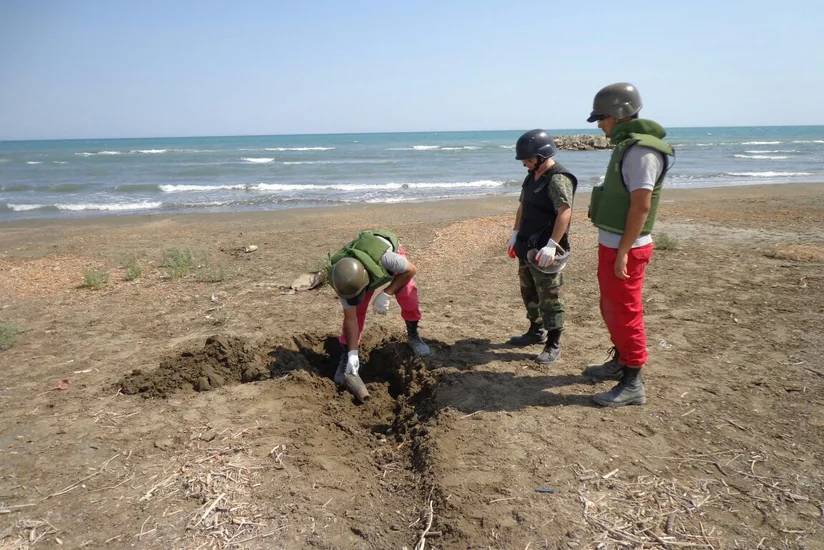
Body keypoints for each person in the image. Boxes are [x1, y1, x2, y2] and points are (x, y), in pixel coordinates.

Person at [583, 82, 674, 407]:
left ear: (620, 114)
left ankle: (633, 382)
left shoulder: (641, 152)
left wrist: (622, 251)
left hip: (628, 249)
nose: (599, 124)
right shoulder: (628, 147)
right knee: (611, 309)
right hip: (614, 244)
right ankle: (621, 359)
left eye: (602, 117)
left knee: (626, 312)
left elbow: (641, 207)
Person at [329, 229, 430, 402]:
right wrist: (353, 354)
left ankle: (413, 334)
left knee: (407, 294)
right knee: (358, 310)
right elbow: (351, 318)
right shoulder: (341, 279)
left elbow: (411, 270)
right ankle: (346, 355)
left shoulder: (389, 260)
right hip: (358, 271)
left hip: (386, 254)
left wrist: (387, 293)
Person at [506, 129, 577, 365]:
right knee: (529, 290)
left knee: (550, 295)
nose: (524, 163)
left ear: (542, 156)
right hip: (527, 244)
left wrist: (552, 244)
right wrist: (515, 233)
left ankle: (553, 343)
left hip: (546, 248)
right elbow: (523, 206)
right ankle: (535, 330)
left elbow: (564, 211)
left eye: (527, 159)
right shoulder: (531, 176)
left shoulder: (558, 178)